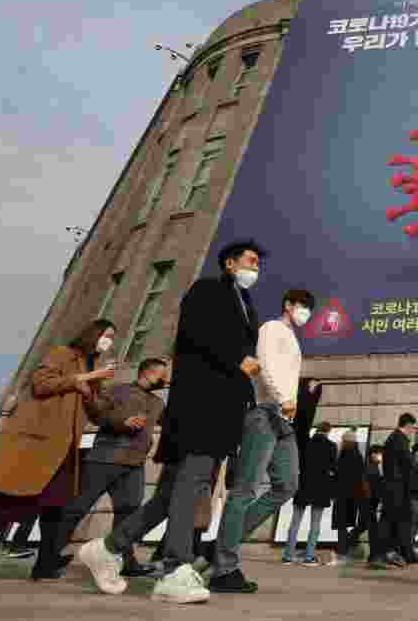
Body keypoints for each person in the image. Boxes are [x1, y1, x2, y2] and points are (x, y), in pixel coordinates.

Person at [77, 239, 266, 604]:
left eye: (258, 263)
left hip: (223, 408)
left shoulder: (246, 304)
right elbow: (198, 332)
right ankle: (175, 568)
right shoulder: (207, 290)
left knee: (171, 494)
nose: (255, 267)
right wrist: (237, 358)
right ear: (229, 263)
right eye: (251, 260)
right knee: (192, 483)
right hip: (200, 404)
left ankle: (108, 548)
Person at [0, 319, 119, 581]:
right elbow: (41, 384)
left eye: (113, 337)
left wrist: (90, 391)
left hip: (64, 447)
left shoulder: (94, 369)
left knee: (56, 506)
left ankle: (46, 563)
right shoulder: (63, 354)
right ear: (93, 334)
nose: (109, 341)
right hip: (36, 442)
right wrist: (83, 378)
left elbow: (98, 413)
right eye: (107, 335)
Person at [210, 288, 312, 588]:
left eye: (309, 309)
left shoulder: (292, 337)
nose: (305, 312)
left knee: (288, 485)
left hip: (284, 419)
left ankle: (221, 545)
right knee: (245, 489)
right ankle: (225, 568)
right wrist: (282, 398)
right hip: (266, 411)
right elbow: (264, 365)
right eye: (302, 306)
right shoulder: (272, 328)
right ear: (288, 305)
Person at [51, 357, 169, 578]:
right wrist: (122, 422)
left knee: (129, 513)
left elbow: (172, 423)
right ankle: (48, 556)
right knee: (77, 508)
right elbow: (97, 414)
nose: (166, 378)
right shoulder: (117, 390)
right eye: (162, 374)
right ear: (147, 373)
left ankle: (127, 562)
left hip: (134, 464)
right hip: (105, 459)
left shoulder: (157, 403)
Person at [285, 422, 337, 566]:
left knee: (295, 522)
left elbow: (297, 463)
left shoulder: (305, 444)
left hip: (303, 485)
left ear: (317, 430)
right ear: (328, 431)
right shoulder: (331, 446)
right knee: (315, 524)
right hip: (320, 487)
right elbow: (333, 468)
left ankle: (288, 556)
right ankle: (309, 557)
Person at [377, 413, 418, 567]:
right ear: (407, 426)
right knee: (397, 522)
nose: (414, 431)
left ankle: (402, 553)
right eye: (413, 428)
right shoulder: (399, 439)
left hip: (394, 488)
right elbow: (406, 464)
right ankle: (394, 553)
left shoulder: (394, 438)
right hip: (397, 488)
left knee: (397, 521)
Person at [332, 430, 371, 564]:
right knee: (347, 523)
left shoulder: (344, 454)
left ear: (347, 441)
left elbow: (339, 473)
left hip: (344, 494)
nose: (342, 442)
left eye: (343, 440)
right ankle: (346, 545)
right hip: (354, 494)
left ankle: (343, 548)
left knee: (341, 524)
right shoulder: (357, 454)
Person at [365, 445, 394, 569]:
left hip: (371, 503)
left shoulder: (373, 467)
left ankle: (374, 557)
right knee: (375, 532)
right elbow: (375, 486)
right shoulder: (371, 468)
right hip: (372, 503)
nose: (380, 457)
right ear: (373, 454)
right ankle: (375, 558)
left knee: (374, 531)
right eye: (379, 454)